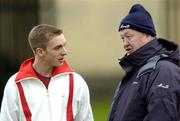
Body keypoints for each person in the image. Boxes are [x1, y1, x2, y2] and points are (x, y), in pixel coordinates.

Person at [0, 24, 94, 121]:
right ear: (40, 52)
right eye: (57, 48)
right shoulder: (15, 84)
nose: (65, 52)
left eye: (64, 45)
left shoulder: (76, 81)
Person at [108, 4, 180, 121]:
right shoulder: (134, 71)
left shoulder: (164, 71)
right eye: (122, 38)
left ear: (148, 35)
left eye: (129, 36)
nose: (125, 43)